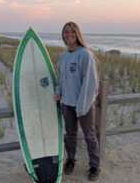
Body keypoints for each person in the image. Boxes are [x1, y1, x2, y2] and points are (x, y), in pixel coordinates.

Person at [54, 21, 100, 181]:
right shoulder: (63, 56)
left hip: (84, 105)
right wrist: (58, 93)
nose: (69, 35)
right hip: (67, 103)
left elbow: (91, 83)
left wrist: (82, 106)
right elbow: (60, 78)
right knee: (70, 135)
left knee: (89, 135)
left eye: (72, 32)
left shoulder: (85, 54)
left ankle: (94, 165)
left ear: (77, 34)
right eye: (66, 32)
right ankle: (71, 160)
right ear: (63, 35)